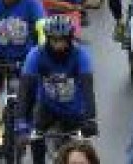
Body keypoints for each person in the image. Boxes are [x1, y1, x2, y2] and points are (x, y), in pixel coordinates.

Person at [18, 15, 98, 164]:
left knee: (82, 153)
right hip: (46, 107)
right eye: (54, 40)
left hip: (74, 111)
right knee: (37, 142)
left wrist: (90, 119)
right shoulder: (36, 54)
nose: (58, 45)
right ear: (47, 38)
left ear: (69, 39)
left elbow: (88, 89)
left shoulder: (81, 55)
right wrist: (22, 122)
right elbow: (25, 88)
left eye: (62, 40)